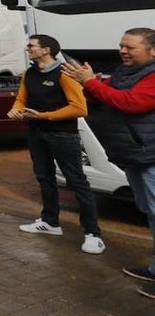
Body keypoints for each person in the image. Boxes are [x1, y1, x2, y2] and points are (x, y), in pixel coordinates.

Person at [63, 28, 155, 299]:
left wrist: (91, 83)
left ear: (152, 51)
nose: (123, 51)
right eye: (122, 46)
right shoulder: (123, 73)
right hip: (135, 155)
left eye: (131, 47)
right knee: (148, 210)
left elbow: (130, 103)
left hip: (150, 155)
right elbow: (106, 98)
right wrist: (88, 84)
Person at [10, 35, 103, 253]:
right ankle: (50, 222)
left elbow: (80, 108)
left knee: (77, 181)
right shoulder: (28, 74)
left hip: (63, 136)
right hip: (36, 134)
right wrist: (16, 109)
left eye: (31, 46)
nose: (27, 49)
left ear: (46, 50)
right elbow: (21, 99)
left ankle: (93, 233)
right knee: (44, 178)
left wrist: (44, 116)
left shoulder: (64, 74)